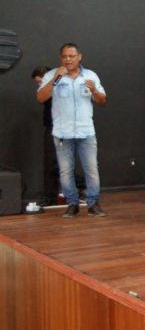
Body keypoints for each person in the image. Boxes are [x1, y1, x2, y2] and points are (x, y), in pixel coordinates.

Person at [36, 43, 107, 218]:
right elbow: (40, 97)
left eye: (71, 56)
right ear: (61, 58)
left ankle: (93, 204)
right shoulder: (53, 75)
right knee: (65, 170)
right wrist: (54, 80)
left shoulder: (90, 76)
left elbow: (102, 100)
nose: (68, 60)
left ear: (79, 56)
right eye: (65, 57)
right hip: (62, 132)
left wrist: (94, 90)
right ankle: (72, 204)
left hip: (86, 132)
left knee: (91, 169)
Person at [31, 66, 60, 206]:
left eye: (39, 81)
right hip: (51, 126)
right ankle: (50, 196)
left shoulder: (59, 80)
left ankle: (81, 185)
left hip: (63, 126)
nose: (38, 85)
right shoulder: (44, 89)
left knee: (60, 163)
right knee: (50, 162)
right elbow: (42, 97)